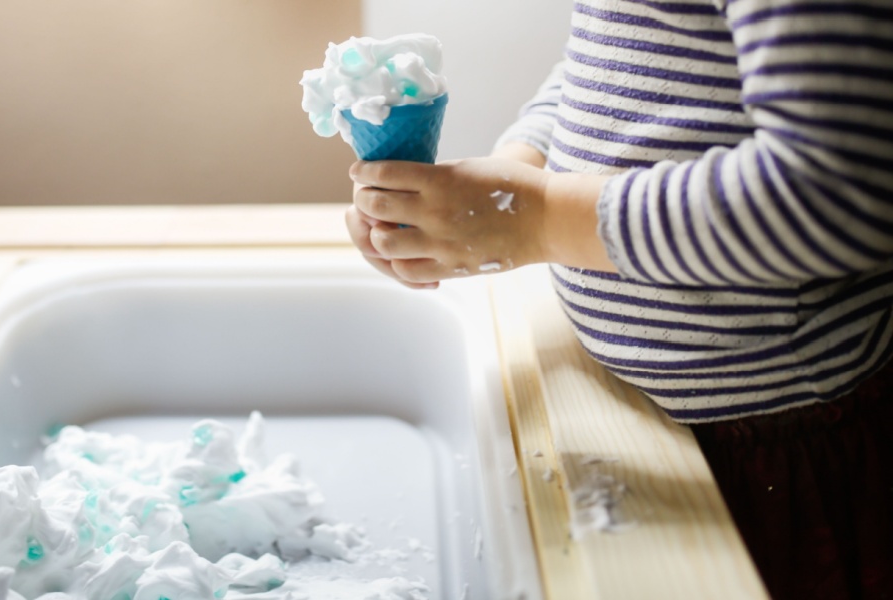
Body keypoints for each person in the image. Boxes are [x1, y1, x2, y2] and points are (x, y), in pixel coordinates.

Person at [343, 1, 893, 598]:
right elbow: (624, 64)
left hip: (783, 450)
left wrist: (539, 216)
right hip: (661, 422)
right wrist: (512, 173)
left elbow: (834, 196)